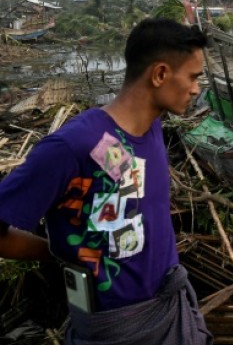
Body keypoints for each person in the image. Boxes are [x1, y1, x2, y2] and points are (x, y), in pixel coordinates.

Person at [0, 18, 213, 345]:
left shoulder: (152, 128)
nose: (197, 89)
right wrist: (56, 252)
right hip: (116, 328)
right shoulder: (73, 146)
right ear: (159, 75)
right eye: (194, 77)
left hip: (170, 309)